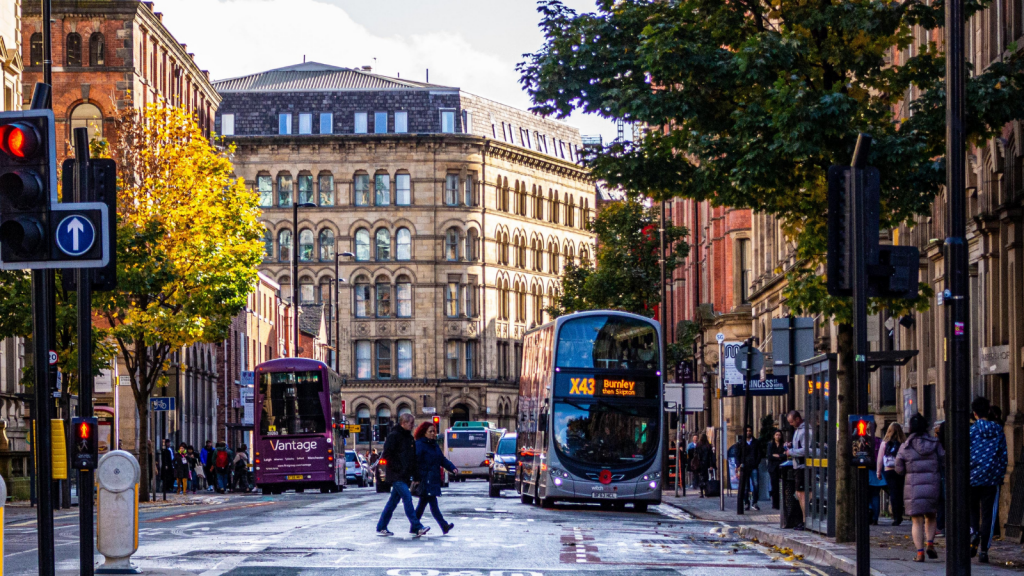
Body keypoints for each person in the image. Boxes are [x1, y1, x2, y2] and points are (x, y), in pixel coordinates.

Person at [895, 413, 944, 563]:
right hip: (932, 486)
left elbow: (898, 469)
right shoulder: (935, 443)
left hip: (913, 488)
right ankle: (930, 543)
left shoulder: (905, 447)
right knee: (931, 516)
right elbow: (944, 460)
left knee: (916, 521)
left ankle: (920, 553)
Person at [376, 413, 429, 537]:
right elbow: (387, 454)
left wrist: (415, 476)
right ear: (403, 423)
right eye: (411, 423)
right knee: (407, 497)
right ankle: (417, 526)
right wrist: (397, 468)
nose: (412, 426)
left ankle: (381, 526)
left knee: (393, 502)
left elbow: (413, 459)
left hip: (404, 475)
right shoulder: (393, 436)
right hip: (396, 475)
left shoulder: (409, 438)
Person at [969, 396, 1007, 563]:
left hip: (972, 476)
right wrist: (999, 474)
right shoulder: (998, 429)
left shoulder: (971, 431)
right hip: (991, 477)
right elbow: (1003, 455)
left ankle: (974, 533)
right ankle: (984, 549)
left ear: (975, 413)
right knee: (988, 514)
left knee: (972, 510)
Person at [412, 422, 458, 534]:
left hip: (433, 478)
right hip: (425, 479)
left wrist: (452, 468)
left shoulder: (434, 445)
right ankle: (443, 526)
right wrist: (416, 476)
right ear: (424, 432)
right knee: (432, 503)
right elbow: (415, 462)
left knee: (423, 504)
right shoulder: (419, 444)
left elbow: (441, 459)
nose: (433, 433)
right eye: (430, 431)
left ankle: (414, 527)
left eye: (434, 431)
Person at [878, 420, 906, 526]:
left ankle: (896, 516)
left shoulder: (885, 443)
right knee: (900, 492)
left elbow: (880, 459)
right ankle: (900, 513)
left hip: (889, 470)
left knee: (893, 494)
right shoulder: (903, 443)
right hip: (900, 471)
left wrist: (878, 472)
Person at [785, 410, 806, 530]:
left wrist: (791, 452)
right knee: (798, 494)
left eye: (792, 421)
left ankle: (805, 520)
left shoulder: (805, 431)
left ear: (798, 419)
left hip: (803, 466)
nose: (791, 424)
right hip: (797, 466)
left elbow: (807, 450)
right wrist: (790, 446)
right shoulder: (797, 431)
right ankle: (803, 520)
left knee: (802, 495)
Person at [738, 425, 763, 511]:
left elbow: (759, 454)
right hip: (744, 467)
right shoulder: (741, 443)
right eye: (747, 431)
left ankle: (755, 502)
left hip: (753, 467)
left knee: (756, 485)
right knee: (745, 487)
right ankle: (746, 502)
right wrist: (739, 464)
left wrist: (756, 463)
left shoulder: (756, 442)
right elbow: (738, 455)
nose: (748, 432)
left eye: (750, 431)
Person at [868, 425, 886, 525]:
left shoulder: (864, 440)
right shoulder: (879, 441)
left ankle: (869, 510)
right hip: (877, 472)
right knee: (875, 495)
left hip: (867, 471)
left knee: (866, 494)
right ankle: (875, 518)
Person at [766, 430, 786, 510]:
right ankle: (775, 504)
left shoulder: (783, 445)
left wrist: (778, 456)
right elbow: (769, 456)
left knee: (782, 486)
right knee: (774, 486)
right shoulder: (770, 444)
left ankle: (782, 503)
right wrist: (780, 456)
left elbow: (785, 455)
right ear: (774, 436)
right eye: (776, 435)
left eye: (779, 435)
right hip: (773, 468)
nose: (778, 436)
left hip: (781, 467)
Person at [692, 433, 715, 497]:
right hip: (706, 464)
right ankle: (706, 491)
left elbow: (695, 455)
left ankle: (701, 492)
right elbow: (711, 456)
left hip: (700, 464)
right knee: (706, 478)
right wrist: (711, 465)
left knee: (701, 478)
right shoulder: (708, 446)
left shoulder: (698, 445)